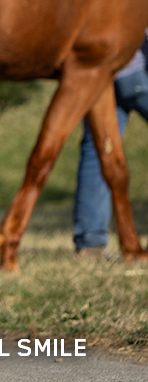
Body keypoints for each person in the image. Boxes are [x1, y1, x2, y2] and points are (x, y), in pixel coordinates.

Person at [72, 29, 148, 257]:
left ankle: (90, 243)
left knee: (98, 149)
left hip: (103, 73)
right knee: (99, 148)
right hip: (138, 71)